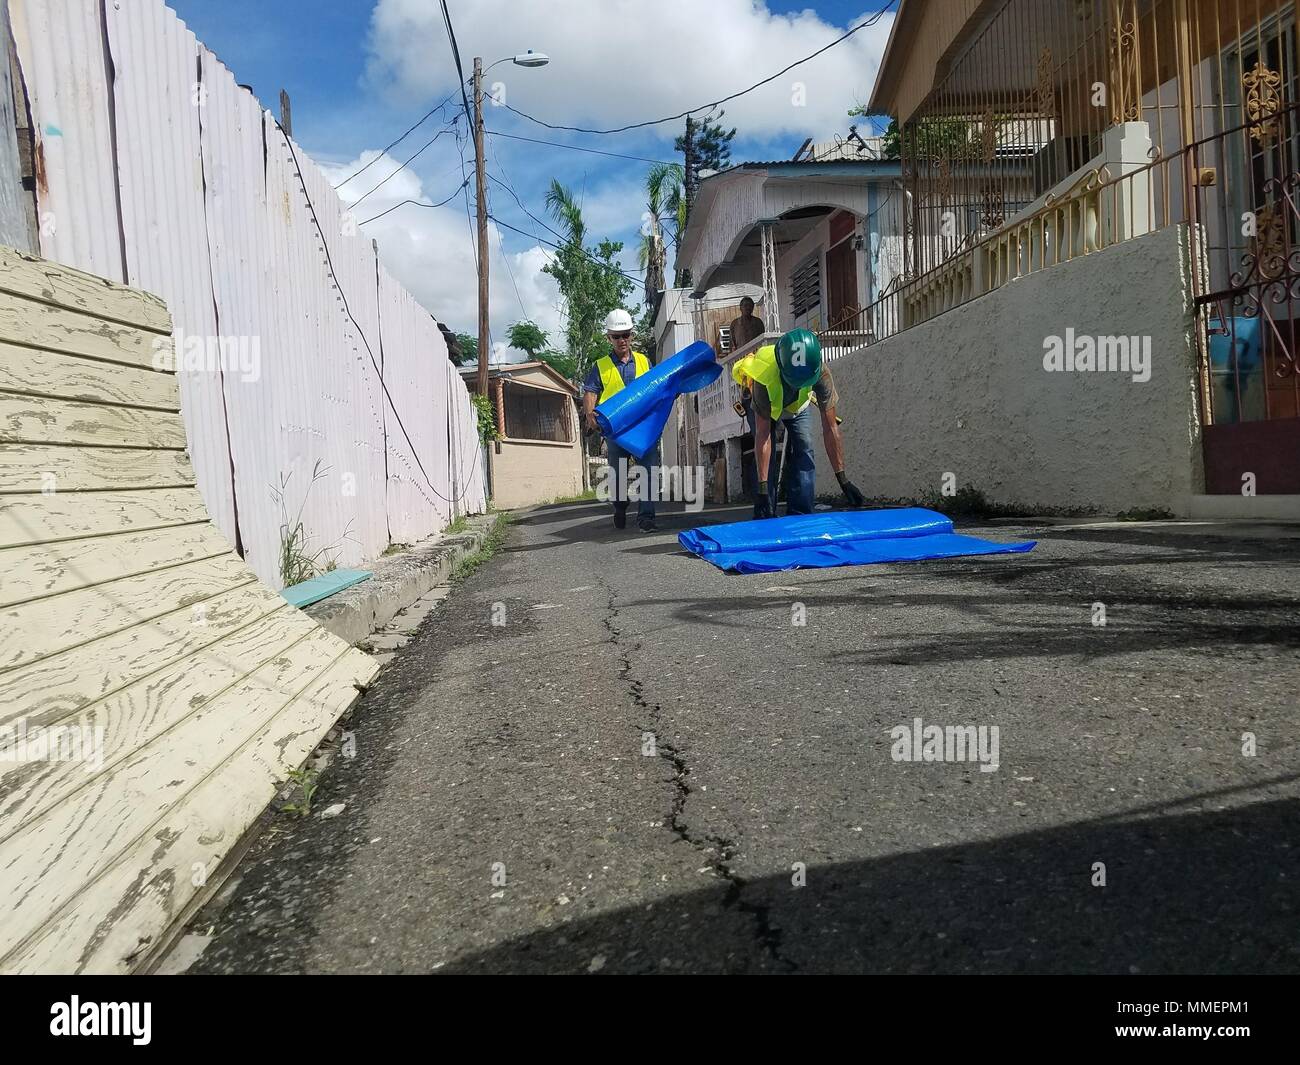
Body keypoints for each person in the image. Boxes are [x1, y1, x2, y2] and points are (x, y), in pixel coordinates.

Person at [733, 328, 865, 518]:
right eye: (793, 381)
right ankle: (765, 509)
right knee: (766, 458)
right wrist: (762, 491)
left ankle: (801, 512)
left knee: (805, 447)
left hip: (798, 407)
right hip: (765, 405)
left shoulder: (820, 371)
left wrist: (843, 480)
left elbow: (830, 428)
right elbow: (763, 437)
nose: (796, 386)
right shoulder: (764, 376)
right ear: (782, 369)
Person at [582, 308, 660, 532]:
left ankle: (647, 518)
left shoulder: (645, 361)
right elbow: (590, 392)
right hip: (615, 431)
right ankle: (619, 505)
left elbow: (657, 387)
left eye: (625, 334)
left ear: (632, 335)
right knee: (617, 475)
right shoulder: (601, 366)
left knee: (648, 471)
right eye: (616, 336)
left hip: (642, 427)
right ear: (609, 338)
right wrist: (590, 416)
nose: (622, 340)